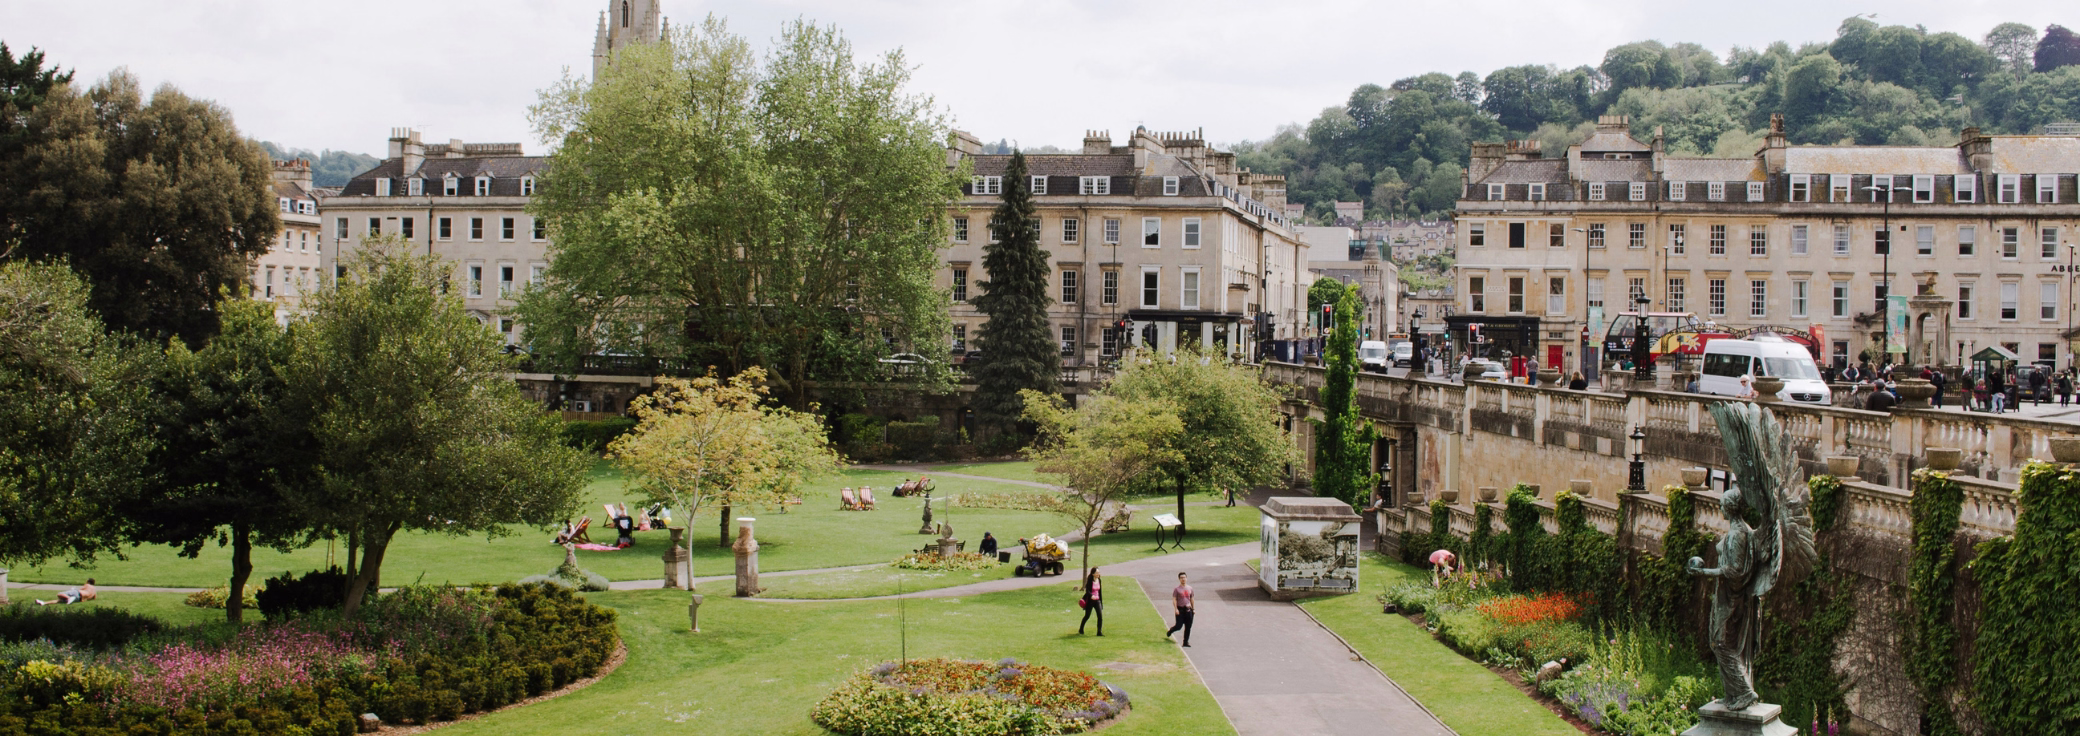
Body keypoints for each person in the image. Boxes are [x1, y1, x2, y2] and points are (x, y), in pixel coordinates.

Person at [1165, 572, 1196, 647]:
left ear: (1186, 578)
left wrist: (1193, 609)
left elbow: (1192, 598)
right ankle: (1171, 631)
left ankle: (1185, 642)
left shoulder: (1190, 588)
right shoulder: (1177, 589)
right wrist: (1176, 609)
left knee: (1188, 627)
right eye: (1181, 578)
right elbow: (1174, 599)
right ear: (1179, 579)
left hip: (1188, 610)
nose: (1183, 579)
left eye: (1184, 577)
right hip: (1180, 610)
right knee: (1179, 626)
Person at [1077, 568, 1104, 636]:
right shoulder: (1090, 581)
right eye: (1097, 573)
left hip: (1097, 601)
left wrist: (1101, 602)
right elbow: (1087, 591)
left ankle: (1099, 632)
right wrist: (1091, 595)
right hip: (1090, 601)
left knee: (1100, 616)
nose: (1098, 574)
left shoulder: (1099, 580)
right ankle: (1081, 629)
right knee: (1087, 616)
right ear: (1093, 574)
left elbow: (1099, 592)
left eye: (1099, 572)